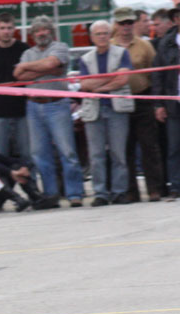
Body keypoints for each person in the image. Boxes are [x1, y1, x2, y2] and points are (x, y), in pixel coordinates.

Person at [13, 15, 85, 207]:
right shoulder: (28, 53)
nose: (41, 33)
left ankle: (74, 193)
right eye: (37, 31)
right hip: (33, 105)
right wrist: (45, 69)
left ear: (51, 31)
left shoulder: (60, 47)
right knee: (39, 154)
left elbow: (50, 64)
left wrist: (27, 67)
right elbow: (18, 75)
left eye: (44, 29)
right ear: (32, 34)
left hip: (57, 104)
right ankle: (51, 194)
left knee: (67, 151)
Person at [77, 20, 132, 206]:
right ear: (92, 37)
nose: (102, 37)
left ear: (111, 35)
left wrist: (98, 87)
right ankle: (100, 193)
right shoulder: (85, 58)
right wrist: (111, 78)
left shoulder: (122, 53)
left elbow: (122, 79)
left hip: (117, 108)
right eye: (98, 34)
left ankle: (119, 192)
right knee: (96, 155)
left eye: (105, 33)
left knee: (119, 153)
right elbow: (85, 84)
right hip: (94, 110)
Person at [113, 7, 163, 202]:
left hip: (142, 99)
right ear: (116, 25)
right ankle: (130, 191)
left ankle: (154, 189)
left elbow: (155, 74)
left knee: (149, 145)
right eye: (122, 23)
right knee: (125, 148)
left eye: (129, 23)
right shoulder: (110, 46)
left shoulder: (144, 45)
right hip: (119, 101)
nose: (126, 27)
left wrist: (156, 101)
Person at [0, 13, 30, 163]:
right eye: (2, 28)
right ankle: (3, 179)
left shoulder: (24, 49)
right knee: (0, 154)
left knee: (27, 153)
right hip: (0, 109)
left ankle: (30, 178)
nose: (6, 31)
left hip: (23, 109)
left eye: (9, 28)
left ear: (14, 29)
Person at [153, 7, 180, 199]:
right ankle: (175, 186)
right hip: (173, 102)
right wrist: (158, 104)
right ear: (176, 19)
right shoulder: (166, 43)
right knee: (174, 146)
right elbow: (158, 75)